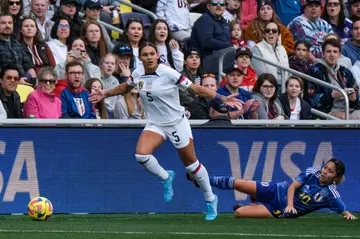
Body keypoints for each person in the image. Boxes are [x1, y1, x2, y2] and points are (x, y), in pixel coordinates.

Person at [89, 42, 243, 221]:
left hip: (176, 122)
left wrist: (221, 97)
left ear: (157, 56)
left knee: (192, 166)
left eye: (152, 54)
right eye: (145, 54)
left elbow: (194, 88)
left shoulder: (168, 73)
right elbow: (127, 87)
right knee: (141, 155)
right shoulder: (138, 72)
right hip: (156, 123)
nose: (148, 57)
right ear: (141, 58)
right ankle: (166, 176)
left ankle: (210, 198)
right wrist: (105, 93)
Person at [207, 158, 357, 220]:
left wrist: (348, 215)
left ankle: (254, 204)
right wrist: (291, 205)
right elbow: (293, 186)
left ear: (336, 177)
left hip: (277, 209)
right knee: (240, 184)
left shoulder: (331, 194)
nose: (324, 171)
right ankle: (204, 179)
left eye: (330, 171)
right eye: (325, 167)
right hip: (277, 190)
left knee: (238, 213)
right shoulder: (312, 172)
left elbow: (344, 210)